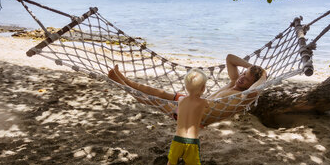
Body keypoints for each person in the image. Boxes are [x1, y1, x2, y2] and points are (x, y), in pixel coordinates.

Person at [108, 54, 267, 125]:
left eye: (246, 79)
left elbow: (255, 90)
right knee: (160, 93)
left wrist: (264, 75)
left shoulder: (245, 96)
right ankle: (125, 80)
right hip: (194, 102)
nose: (241, 78)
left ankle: (120, 84)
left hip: (195, 115)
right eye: (243, 74)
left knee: (155, 101)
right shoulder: (233, 82)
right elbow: (230, 58)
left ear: (252, 84)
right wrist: (250, 67)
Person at [158, 68, 209, 165]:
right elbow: (206, 109)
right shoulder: (203, 102)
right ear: (203, 89)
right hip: (192, 141)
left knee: (171, 162)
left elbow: (179, 113)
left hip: (178, 139)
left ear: (186, 87)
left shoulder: (181, 101)